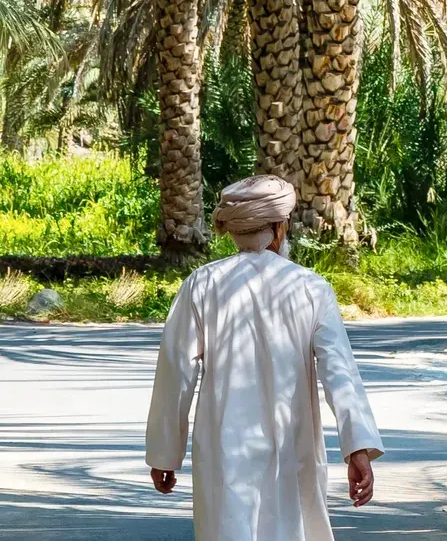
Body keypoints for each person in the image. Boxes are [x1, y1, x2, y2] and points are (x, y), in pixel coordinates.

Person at [145, 174, 383, 540]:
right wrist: (358, 450)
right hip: (293, 448)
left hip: (223, 450)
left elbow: (177, 374)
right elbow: (340, 373)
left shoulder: (202, 284)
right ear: (280, 226)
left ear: (231, 229)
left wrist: (165, 454)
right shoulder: (309, 288)